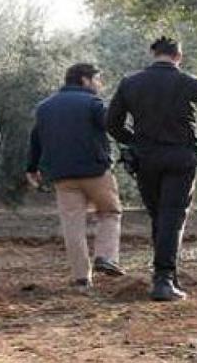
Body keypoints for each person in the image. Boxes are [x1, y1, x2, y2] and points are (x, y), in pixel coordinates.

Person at [106, 37, 197, 301]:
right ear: (179, 56)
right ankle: (163, 279)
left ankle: (166, 276)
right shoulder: (194, 84)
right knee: (172, 217)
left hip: (146, 159)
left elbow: (111, 123)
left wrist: (134, 140)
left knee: (159, 216)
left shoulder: (130, 83)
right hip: (180, 158)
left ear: (153, 54)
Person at [26, 63, 126, 288]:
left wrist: (31, 167)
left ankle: (81, 278)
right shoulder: (93, 103)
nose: (99, 84)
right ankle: (106, 257)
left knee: (73, 224)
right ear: (84, 80)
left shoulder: (45, 107)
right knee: (110, 211)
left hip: (62, 176)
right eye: (97, 79)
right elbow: (113, 127)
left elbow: (36, 138)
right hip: (95, 172)